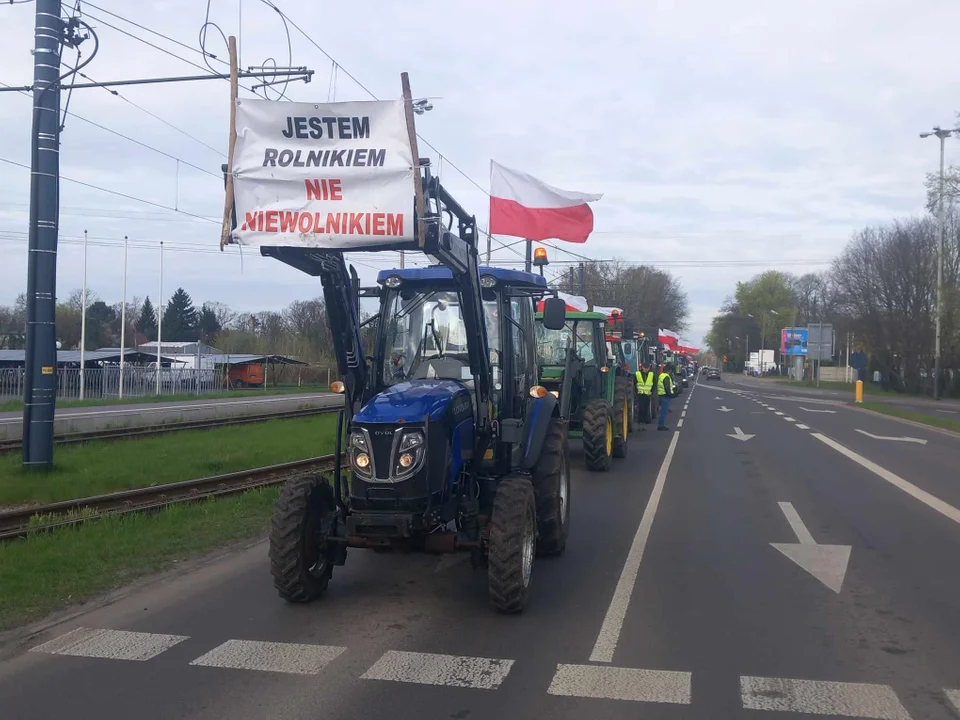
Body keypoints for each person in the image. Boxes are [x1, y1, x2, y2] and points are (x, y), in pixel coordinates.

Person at [634, 360, 654, 428]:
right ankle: (640, 423)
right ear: (642, 367)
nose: (646, 369)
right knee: (641, 409)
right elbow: (634, 384)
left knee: (645, 409)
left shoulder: (651, 374)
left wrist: (651, 391)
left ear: (649, 368)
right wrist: (636, 392)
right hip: (640, 394)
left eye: (647, 368)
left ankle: (643, 424)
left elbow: (654, 384)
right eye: (645, 367)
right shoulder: (637, 374)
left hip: (647, 394)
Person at [657, 362, 676, 431]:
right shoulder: (666, 377)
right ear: (669, 371)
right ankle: (661, 425)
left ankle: (661, 424)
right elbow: (667, 387)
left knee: (663, 411)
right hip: (665, 396)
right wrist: (671, 394)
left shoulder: (661, 375)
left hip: (661, 395)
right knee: (664, 412)